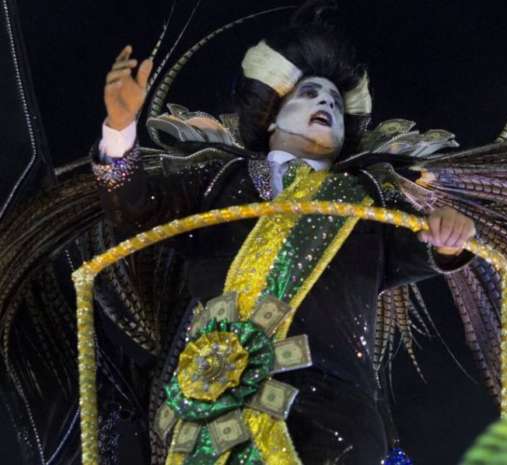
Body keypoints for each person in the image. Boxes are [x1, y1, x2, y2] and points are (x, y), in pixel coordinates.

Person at [93, 22, 476, 465]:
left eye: (334, 101)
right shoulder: (218, 183)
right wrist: (119, 132)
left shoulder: (367, 205)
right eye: (310, 94)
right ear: (272, 115)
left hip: (334, 416)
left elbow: (425, 244)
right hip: (214, 408)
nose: (325, 104)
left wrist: (448, 236)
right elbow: (137, 210)